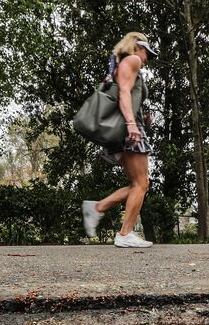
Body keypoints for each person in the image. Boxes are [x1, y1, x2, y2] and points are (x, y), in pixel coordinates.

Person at [82, 32, 158, 248]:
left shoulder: (121, 65)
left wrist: (142, 118)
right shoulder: (132, 60)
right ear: (136, 47)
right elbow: (123, 92)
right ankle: (125, 233)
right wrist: (132, 124)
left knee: (138, 183)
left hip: (125, 128)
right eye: (146, 52)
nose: (147, 59)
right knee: (141, 184)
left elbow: (127, 96)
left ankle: (97, 208)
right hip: (128, 129)